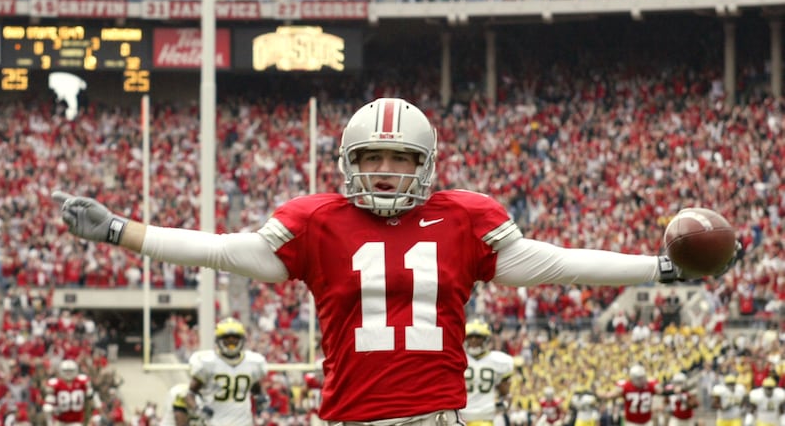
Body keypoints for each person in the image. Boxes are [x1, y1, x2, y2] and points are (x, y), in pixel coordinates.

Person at [52, 97, 738, 425]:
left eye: (400, 159)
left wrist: (660, 269)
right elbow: (223, 252)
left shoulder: (466, 217)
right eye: (372, 158)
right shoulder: (316, 221)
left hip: (437, 415)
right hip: (351, 415)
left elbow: (559, 264)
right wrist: (121, 230)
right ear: (350, 162)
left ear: (425, 164)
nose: (384, 170)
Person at [184, 317, 267, 426]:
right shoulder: (208, 362)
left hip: (243, 422)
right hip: (214, 422)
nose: (231, 342)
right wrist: (199, 408)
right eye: (227, 338)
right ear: (219, 340)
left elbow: (257, 390)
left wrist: (262, 398)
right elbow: (190, 394)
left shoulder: (252, 362)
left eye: (235, 338)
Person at [461, 319, 514, 426]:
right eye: (470, 337)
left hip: (484, 417)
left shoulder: (499, 361)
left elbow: (505, 394)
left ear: (486, 339)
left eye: (478, 337)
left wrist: (505, 402)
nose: (474, 341)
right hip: (460, 416)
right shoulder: (458, 359)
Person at [597, 364, 662, 426]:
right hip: (632, 423)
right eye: (639, 378)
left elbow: (662, 392)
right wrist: (602, 394)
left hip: (647, 421)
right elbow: (610, 395)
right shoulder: (626, 386)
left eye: (643, 377)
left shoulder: (650, 384)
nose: (642, 380)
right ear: (632, 378)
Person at [43, 360, 101, 426]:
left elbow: (94, 399)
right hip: (60, 421)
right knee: (47, 408)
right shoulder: (55, 384)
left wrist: (95, 414)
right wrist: (54, 410)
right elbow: (48, 405)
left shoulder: (82, 382)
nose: (68, 374)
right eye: (66, 371)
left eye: (70, 371)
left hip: (76, 421)